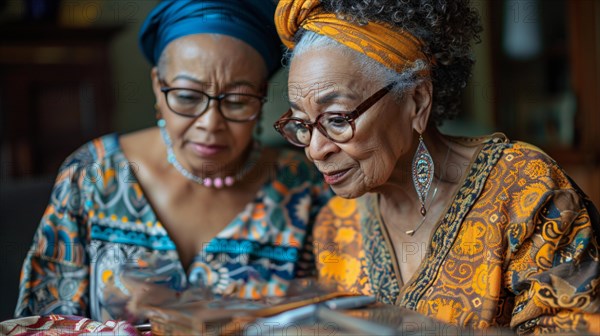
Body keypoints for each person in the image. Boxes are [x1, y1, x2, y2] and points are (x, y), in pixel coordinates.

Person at [273, 0, 600, 334]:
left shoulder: (525, 190)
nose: (315, 149)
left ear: (417, 101)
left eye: (338, 119)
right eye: (301, 123)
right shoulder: (335, 223)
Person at [15, 0, 331, 322]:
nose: (210, 123)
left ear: (262, 96)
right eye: (187, 97)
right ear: (157, 85)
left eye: (237, 101)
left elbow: (329, 315)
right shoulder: (93, 174)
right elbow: (43, 322)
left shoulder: (303, 188)